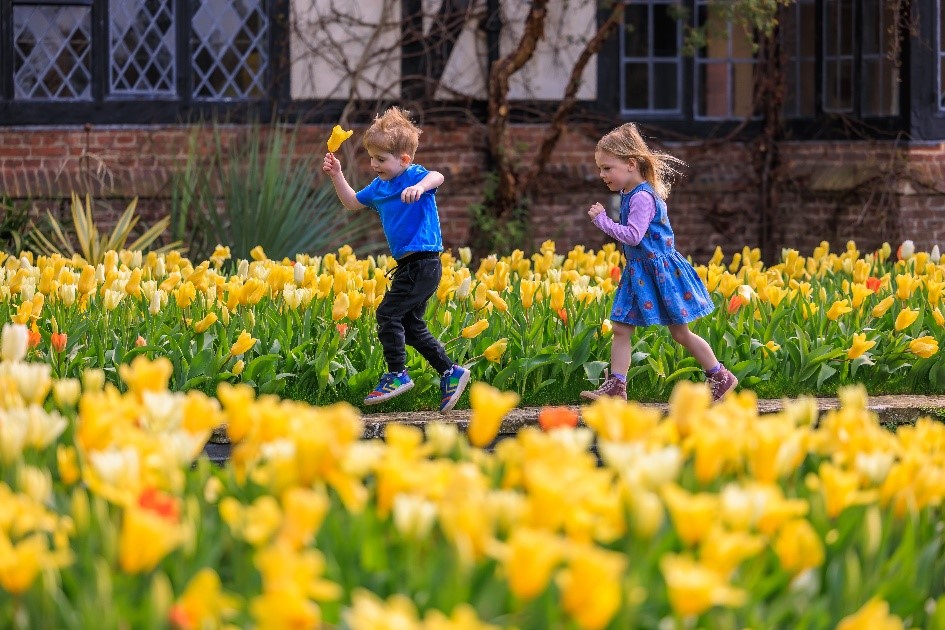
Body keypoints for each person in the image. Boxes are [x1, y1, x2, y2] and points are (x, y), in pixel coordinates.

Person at [322, 106, 471, 412]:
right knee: (411, 326)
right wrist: (337, 174)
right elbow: (351, 202)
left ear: (404, 159)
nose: (374, 164)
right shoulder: (379, 187)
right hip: (409, 266)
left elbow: (438, 176)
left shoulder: (414, 177)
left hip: (424, 262)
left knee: (387, 314)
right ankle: (451, 372)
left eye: (381, 159)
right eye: (372, 157)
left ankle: (397, 374)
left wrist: (419, 187)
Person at [580, 122, 737, 403]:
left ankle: (720, 376)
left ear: (630, 164)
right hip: (640, 272)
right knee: (621, 327)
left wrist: (602, 221)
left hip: (659, 273)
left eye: (607, 168)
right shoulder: (630, 194)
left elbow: (633, 235)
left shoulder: (641, 197)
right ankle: (617, 386)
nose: (601, 175)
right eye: (600, 168)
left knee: (680, 333)